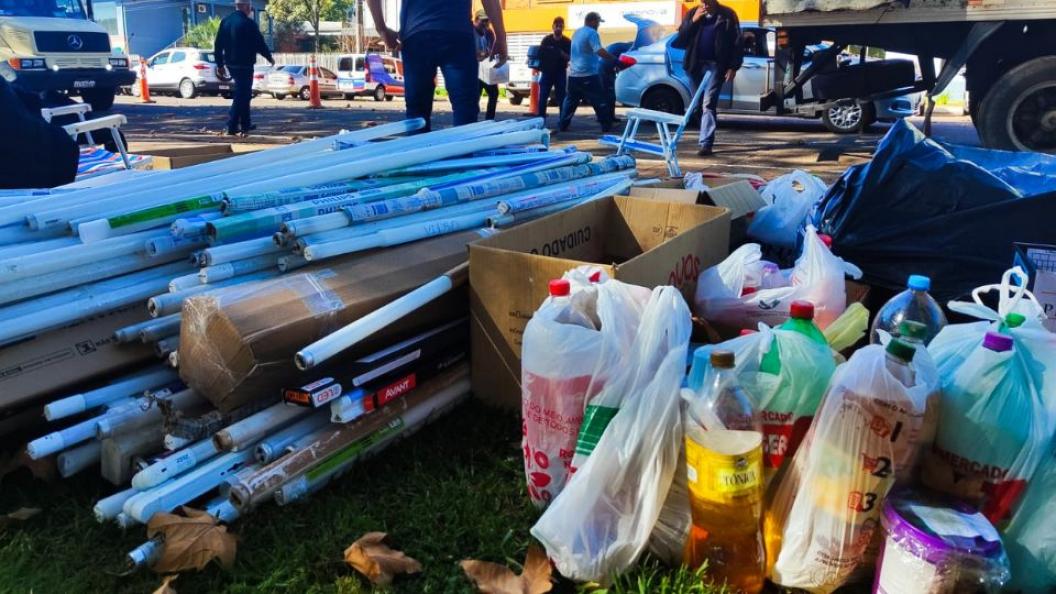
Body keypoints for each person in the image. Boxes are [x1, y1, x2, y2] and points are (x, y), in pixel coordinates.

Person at [367, 0, 507, 132]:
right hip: (457, 33)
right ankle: (464, 147)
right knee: (465, 109)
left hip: (417, 34)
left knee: (417, 114)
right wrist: (500, 38)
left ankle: (418, 148)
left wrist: (381, 28)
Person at [673, 0, 742, 156]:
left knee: (708, 103)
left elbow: (737, 42)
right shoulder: (693, 13)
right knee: (696, 105)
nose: (704, 5)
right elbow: (681, 39)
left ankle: (706, 143)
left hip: (716, 65)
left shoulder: (727, 15)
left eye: (707, 1)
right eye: (702, 1)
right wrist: (693, 21)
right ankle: (704, 132)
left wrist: (733, 66)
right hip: (695, 64)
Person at [214, 0, 274, 137]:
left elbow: (218, 45)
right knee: (243, 94)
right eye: (250, 7)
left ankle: (246, 124)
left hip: (231, 64)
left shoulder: (225, 22)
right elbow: (259, 43)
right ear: (246, 6)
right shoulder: (249, 24)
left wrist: (220, 64)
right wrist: (269, 57)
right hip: (245, 64)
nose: (250, 9)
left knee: (244, 93)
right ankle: (232, 125)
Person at [557, 12, 615, 134]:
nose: (598, 25)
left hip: (574, 75)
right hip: (589, 74)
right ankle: (606, 126)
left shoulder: (577, 32)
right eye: (598, 22)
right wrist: (614, 59)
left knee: (570, 102)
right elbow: (599, 50)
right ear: (592, 21)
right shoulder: (592, 33)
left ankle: (562, 125)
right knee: (599, 101)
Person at [536, 16, 570, 120]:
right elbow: (540, 54)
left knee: (561, 98)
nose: (558, 28)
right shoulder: (547, 40)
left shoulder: (567, 42)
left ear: (563, 27)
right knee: (543, 96)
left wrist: (561, 54)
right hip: (547, 72)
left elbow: (570, 57)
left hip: (560, 72)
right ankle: (541, 120)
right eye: (556, 26)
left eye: (560, 26)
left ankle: (563, 121)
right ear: (553, 27)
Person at [474, 10, 499, 121]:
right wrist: (481, 54)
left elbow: (492, 48)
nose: (486, 23)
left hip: (486, 69)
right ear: (476, 20)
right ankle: (472, 120)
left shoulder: (489, 33)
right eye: (483, 20)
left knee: (494, 93)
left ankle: (489, 120)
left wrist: (492, 54)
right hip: (474, 70)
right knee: (475, 96)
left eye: (487, 21)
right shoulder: (471, 32)